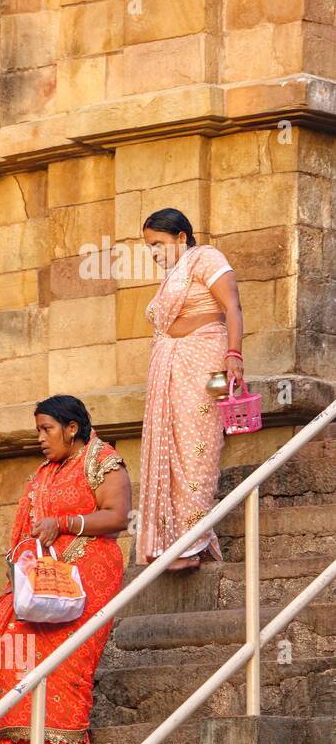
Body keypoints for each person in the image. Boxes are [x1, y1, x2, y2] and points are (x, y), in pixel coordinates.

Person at [0, 395, 132, 744]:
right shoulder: (45, 473)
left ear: (72, 429)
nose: (40, 437)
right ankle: (25, 742)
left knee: (67, 665)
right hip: (44, 579)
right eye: (38, 429)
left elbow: (117, 517)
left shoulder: (103, 460)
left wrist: (65, 522)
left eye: (47, 429)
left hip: (89, 577)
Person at [138, 208, 244, 570]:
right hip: (171, 368)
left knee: (197, 448)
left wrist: (234, 355)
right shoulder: (172, 277)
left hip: (205, 361)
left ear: (182, 237)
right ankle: (169, 544)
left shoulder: (205, 257)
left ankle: (191, 543)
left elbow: (232, 306)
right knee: (170, 449)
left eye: (158, 243)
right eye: (149, 246)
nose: (153, 252)